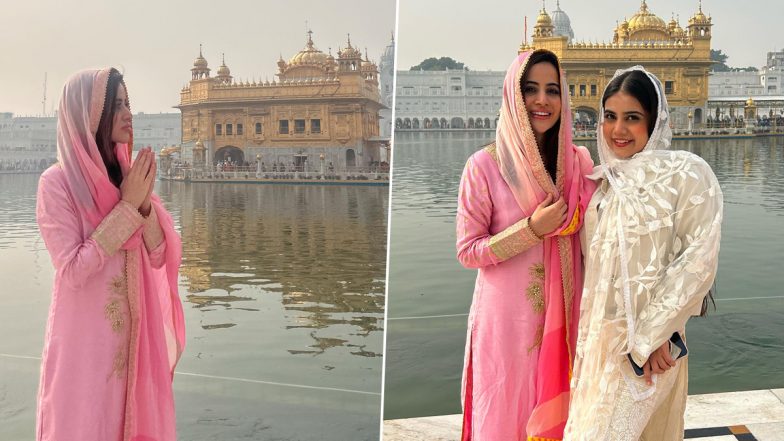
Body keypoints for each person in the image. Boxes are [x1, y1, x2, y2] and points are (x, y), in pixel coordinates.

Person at [563, 67, 723, 441]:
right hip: (603, 346)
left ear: (653, 122)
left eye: (632, 118)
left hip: (653, 352)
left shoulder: (683, 174)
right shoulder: (602, 187)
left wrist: (653, 339)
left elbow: (697, 261)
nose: (618, 130)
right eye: (610, 117)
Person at [36, 68, 185, 440]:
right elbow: (72, 270)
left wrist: (143, 205)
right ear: (90, 114)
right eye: (115, 105)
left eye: (128, 104)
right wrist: (128, 206)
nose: (128, 114)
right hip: (86, 348)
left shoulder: (125, 176)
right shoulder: (58, 184)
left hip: (135, 345)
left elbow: (158, 255)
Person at [455, 50, 596, 440]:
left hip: (567, 316)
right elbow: (468, 251)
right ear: (513, 96)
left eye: (553, 90)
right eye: (530, 89)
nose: (542, 100)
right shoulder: (483, 166)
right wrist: (531, 230)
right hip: (507, 326)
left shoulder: (579, 163)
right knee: (506, 409)